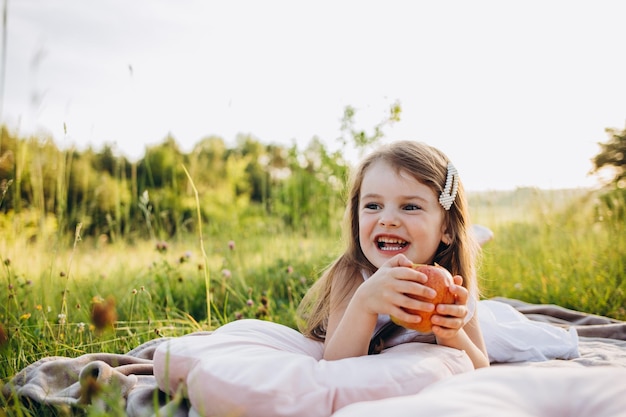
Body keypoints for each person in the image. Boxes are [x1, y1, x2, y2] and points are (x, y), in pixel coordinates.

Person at [298, 140, 490, 369]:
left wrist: (450, 332)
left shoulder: (451, 284)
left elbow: (481, 368)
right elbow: (335, 364)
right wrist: (364, 303)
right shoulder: (353, 275)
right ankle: (476, 235)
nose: (387, 220)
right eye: (373, 206)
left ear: (446, 228)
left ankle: (474, 236)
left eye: (410, 207)